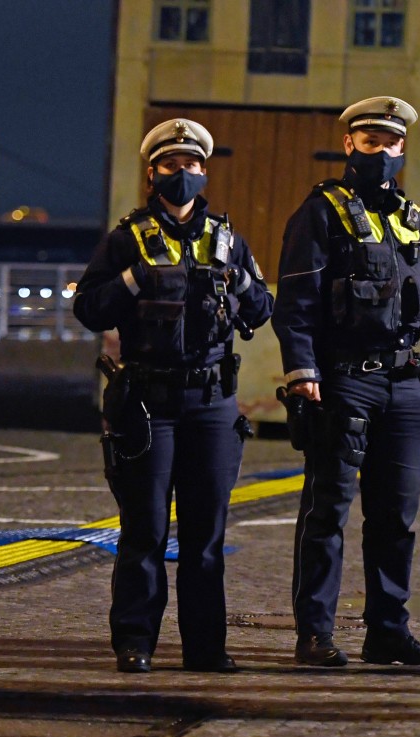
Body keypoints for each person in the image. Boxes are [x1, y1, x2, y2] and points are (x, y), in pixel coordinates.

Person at [74, 118, 273, 674]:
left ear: (203, 172)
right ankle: (134, 641)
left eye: (191, 165)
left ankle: (206, 647)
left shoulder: (229, 241)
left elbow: (262, 311)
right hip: (148, 403)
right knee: (144, 530)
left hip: (211, 403)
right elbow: (89, 309)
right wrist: (133, 280)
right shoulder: (126, 239)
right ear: (152, 173)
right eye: (171, 166)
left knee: (207, 532)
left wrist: (242, 284)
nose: (182, 174)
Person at [272, 96, 420, 668]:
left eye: (391, 143)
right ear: (350, 144)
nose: (381, 152)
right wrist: (303, 371)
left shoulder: (412, 218)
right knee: (328, 511)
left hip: (402, 385)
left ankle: (388, 630)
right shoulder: (320, 211)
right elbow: (296, 302)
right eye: (369, 141)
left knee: (396, 517)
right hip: (344, 380)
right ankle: (315, 633)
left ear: (403, 148)